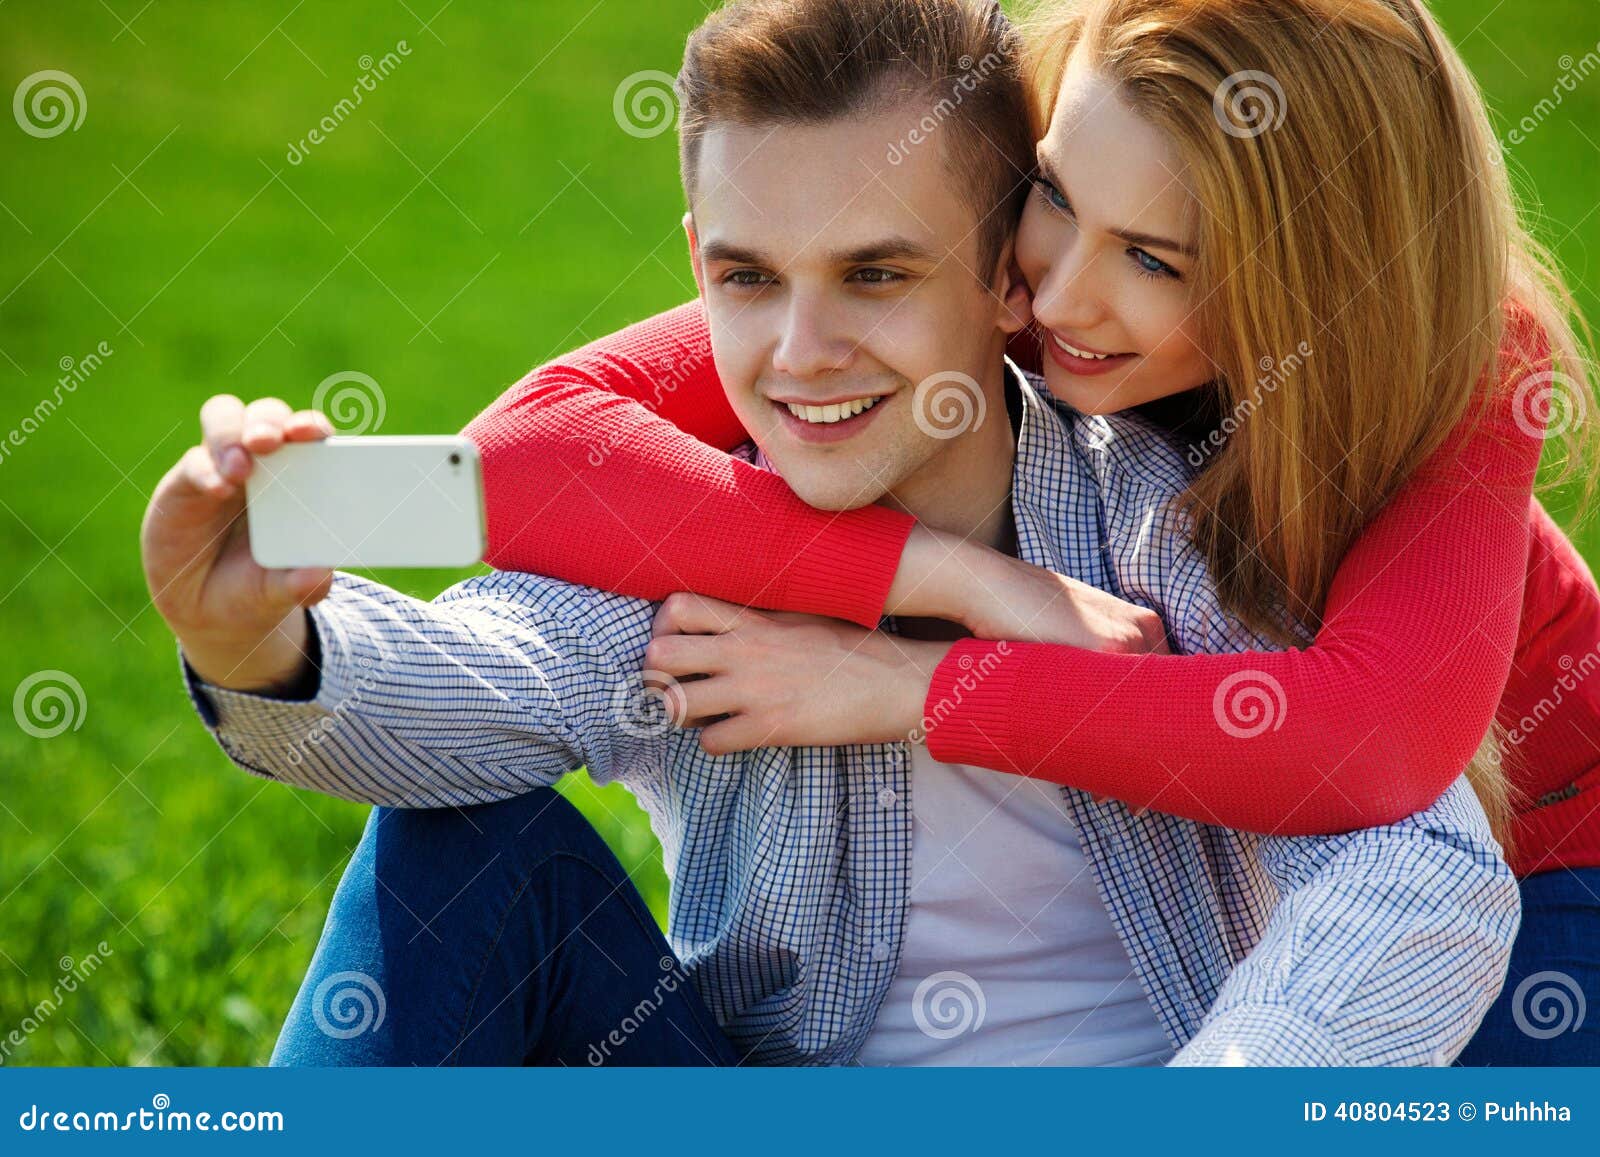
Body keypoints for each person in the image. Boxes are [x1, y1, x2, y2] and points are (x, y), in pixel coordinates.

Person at [141, 0, 1517, 1066]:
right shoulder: (693, 525)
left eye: (875, 273)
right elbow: (488, 680)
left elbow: (1417, 870)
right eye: (749, 277)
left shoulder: (1162, 523)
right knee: (443, 850)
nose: (801, 355)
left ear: (1003, 281)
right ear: (698, 261)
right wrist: (261, 638)